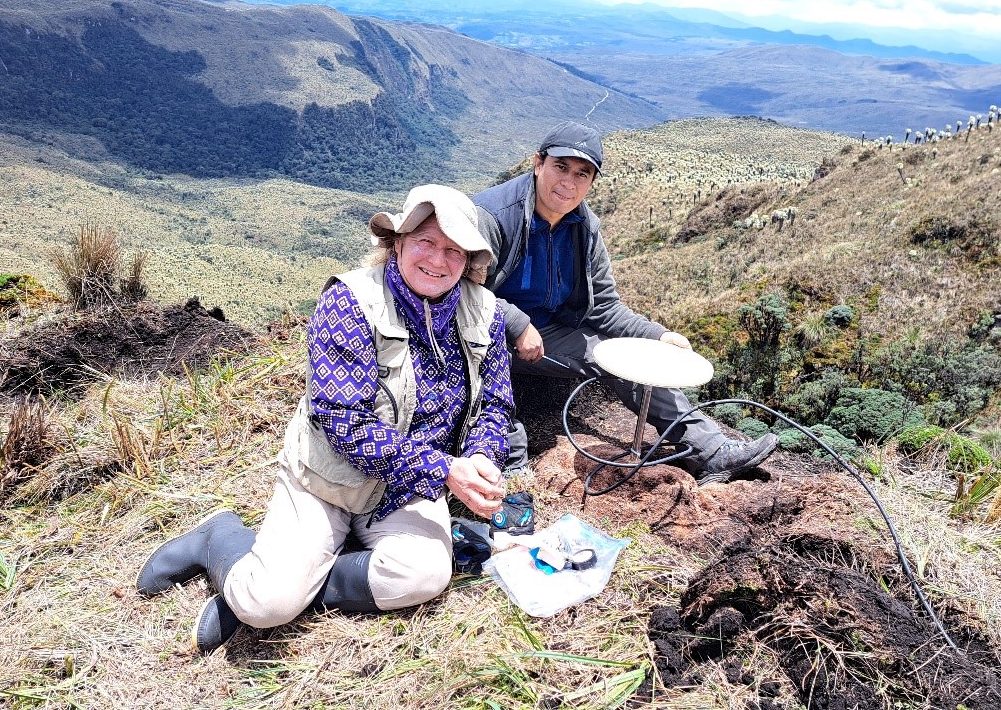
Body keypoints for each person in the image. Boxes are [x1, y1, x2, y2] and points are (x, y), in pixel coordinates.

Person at [136, 185, 513, 654]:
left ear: (469, 259)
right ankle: (220, 537)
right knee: (266, 606)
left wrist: (481, 457)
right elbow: (345, 423)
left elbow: (494, 403)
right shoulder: (350, 302)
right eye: (426, 242)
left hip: (405, 488)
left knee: (424, 575)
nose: (439, 260)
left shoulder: (486, 313)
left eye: (454, 250)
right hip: (329, 478)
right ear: (396, 242)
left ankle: (303, 580)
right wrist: (445, 470)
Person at [472, 121, 778, 484]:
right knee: (478, 365)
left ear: (592, 182)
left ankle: (710, 451)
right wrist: (516, 323)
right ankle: (509, 464)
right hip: (478, 331)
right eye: (560, 167)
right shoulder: (491, 216)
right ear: (538, 163)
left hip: (550, 333)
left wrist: (658, 336)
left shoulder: (584, 227)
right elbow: (459, 292)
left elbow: (604, 305)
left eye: (582, 174)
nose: (569, 182)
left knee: (620, 356)